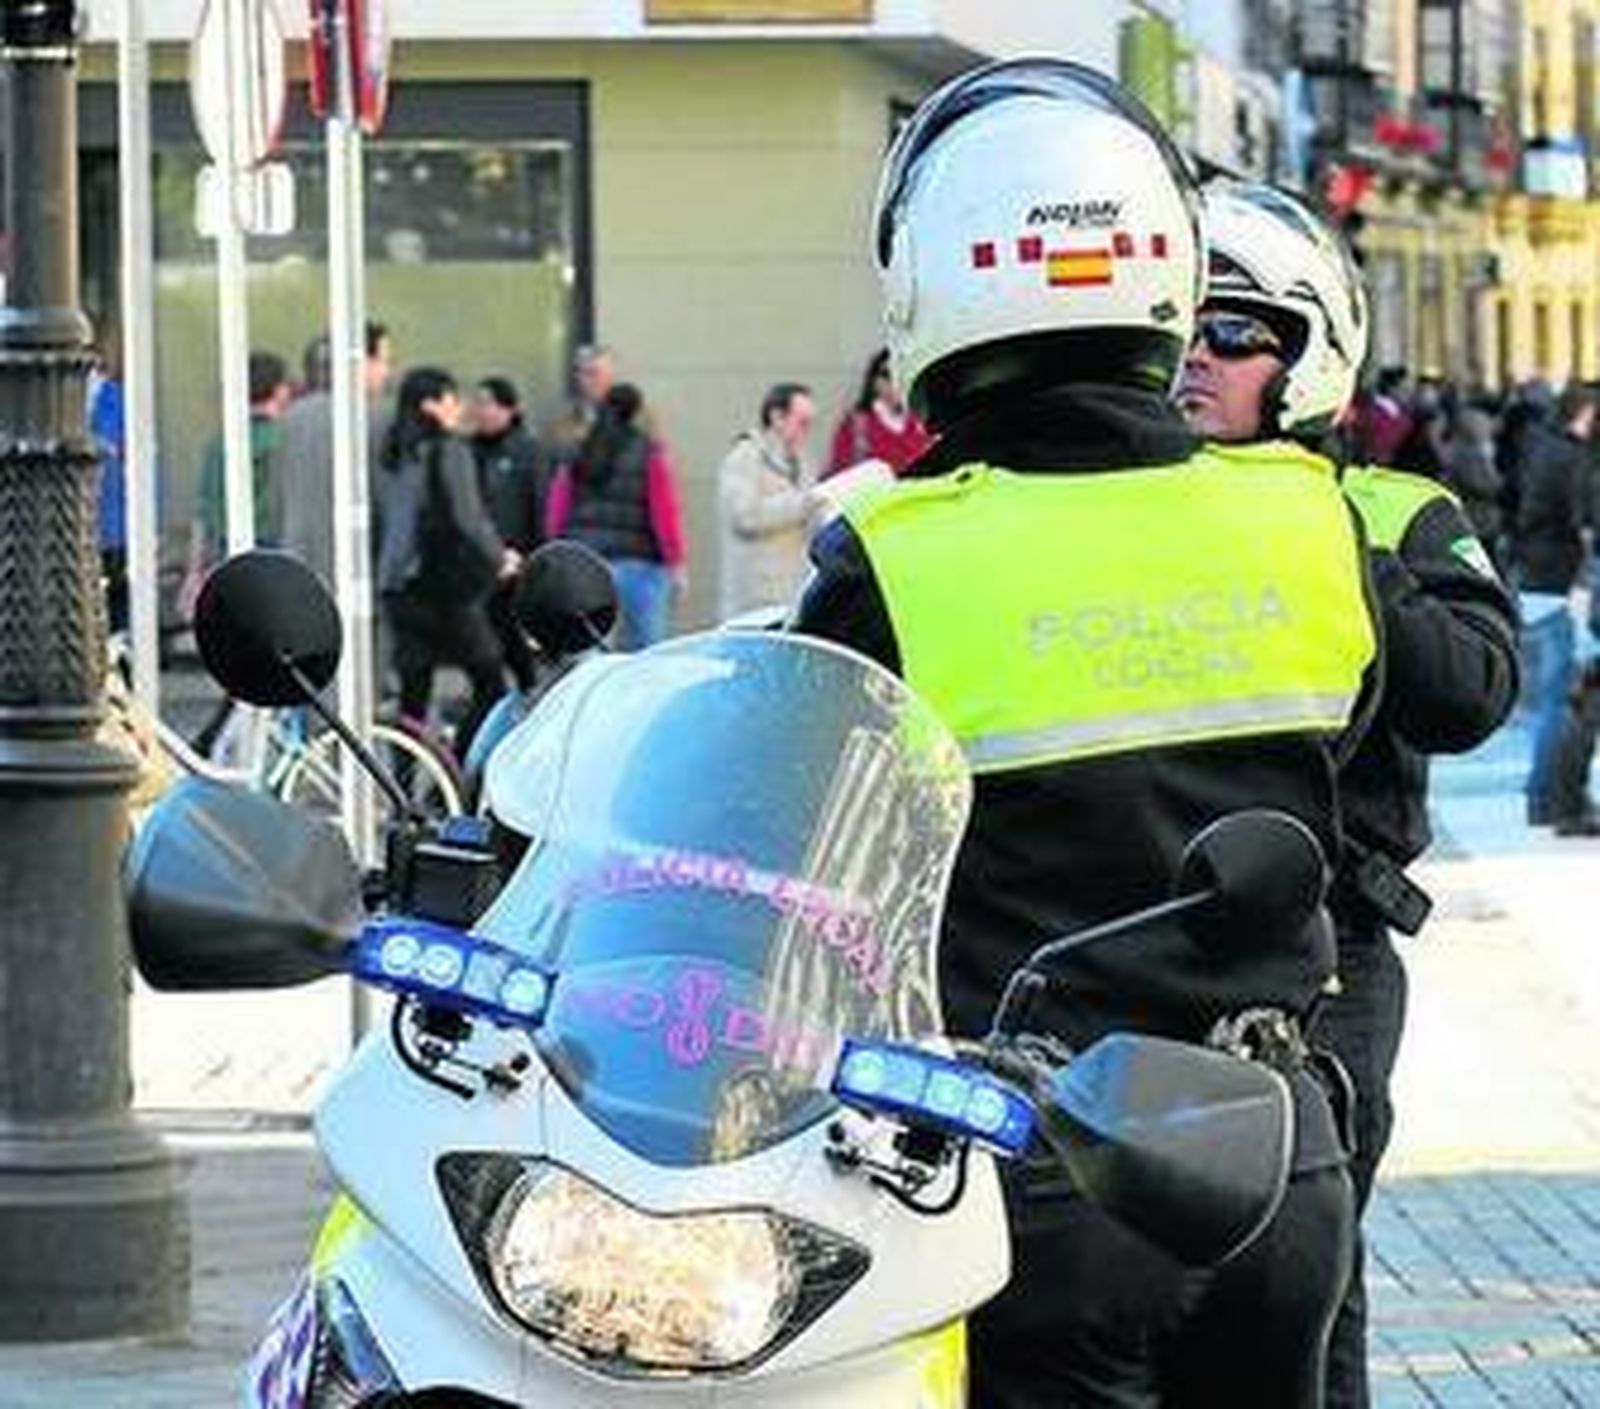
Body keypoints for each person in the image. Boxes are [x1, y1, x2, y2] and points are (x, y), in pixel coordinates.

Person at [793, 60, 1381, 1407]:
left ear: (927, 281)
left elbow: (787, 823)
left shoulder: (892, 553)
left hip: (1040, 1164)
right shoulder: (1306, 518)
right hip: (1278, 1148)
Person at [1176, 178, 1518, 1409]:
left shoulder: (1389, 506)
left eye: (1232, 332)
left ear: (1306, 354)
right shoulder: (1121, 509)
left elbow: (1472, 688)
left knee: (1302, 1280)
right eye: (1179, 331)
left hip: (1326, 948)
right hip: (1133, 933)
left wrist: (1325, 545)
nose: (1195, 360)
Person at [375, 366, 518, 756]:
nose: (460, 407)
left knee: (413, 696)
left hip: (398, 588)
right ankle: (454, 774)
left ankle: (404, 794)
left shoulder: (392, 452)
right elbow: (467, 516)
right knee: (491, 686)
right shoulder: (450, 448)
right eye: (452, 398)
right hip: (444, 588)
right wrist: (499, 557)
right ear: (431, 404)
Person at [1511, 380, 1598, 827]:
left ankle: (1542, 794)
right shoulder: (1573, 457)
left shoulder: (1543, 447)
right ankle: (1556, 800)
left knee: (1554, 696)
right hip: (1563, 585)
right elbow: (1581, 522)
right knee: (1567, 697)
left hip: (1537, 578)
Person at [546, 382, 687, 650]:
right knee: (645, 653)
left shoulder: (578, 451)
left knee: (591, 653)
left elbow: (557, 507)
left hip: (587, 566)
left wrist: (557, 552)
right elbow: (664, 512)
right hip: (640, 565)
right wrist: (676, 562)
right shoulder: (649, 453)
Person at [278, 321, 393, 588]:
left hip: (300, 562)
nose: (387, 371)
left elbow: (280, 496)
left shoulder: (292, 418)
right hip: (358, 567)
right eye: (383, 361)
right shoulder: (379, 418)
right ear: (360, 360)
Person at [183, 350, 292, 617]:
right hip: (277, 556)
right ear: (279, 391)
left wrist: (194, 572)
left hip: (226, 555)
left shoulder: (218, 445)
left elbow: (202, 514)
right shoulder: (286, 440)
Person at [469, 375, 549, 690]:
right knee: (484, 648)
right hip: (479, 564)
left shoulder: (528, 451)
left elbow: (539, 506)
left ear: (509, 409)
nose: (482, 411)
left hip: (517, 563)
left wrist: (532, 560)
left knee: (516, 642)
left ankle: (528, 694)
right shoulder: (466, 450)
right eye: (479, 404)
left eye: (489, 404)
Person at [716, 381, 820, 618]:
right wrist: (803, 502)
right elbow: (745, 517)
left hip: (793, 591)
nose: (807, 431)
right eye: (801, 422)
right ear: (776, 417)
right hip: (754, 596)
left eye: (810, 423)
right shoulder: (744, 457)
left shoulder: (804, 460)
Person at [825, 347, 935, 477]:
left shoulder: (922, 421)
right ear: (874, 380)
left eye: (901, 374)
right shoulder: (857, 426)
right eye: (887, 375)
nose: (895, 383)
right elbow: (841, 471)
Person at [88, 329, 129, 634]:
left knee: (116, 603)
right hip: (70, 523)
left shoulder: (119, 401)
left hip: (113, 523)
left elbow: (138, 459)